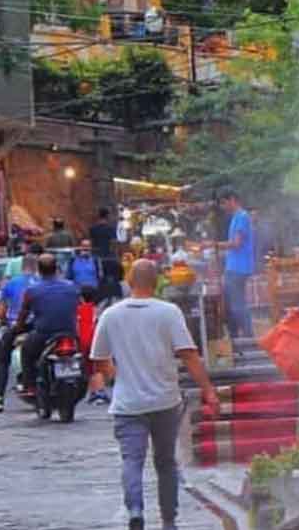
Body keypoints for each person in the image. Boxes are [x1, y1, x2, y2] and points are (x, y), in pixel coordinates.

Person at [89, 259, 220, 530]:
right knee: (165, 461)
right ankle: (169, 520)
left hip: (128, 404)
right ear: (157, 282)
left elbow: (99, 360)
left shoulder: (111, 315)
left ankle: (135, 511)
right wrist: (208, 390)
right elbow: (189, 355)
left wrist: (118, 375)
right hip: (165, 400)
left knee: (132, 460)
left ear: (129, 281)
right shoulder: (169, 312)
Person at [6, 254, 80, 412]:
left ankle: (30, 384)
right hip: (70, 332)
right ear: (57, 268)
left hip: (44, 333)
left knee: (26, 351)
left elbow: (23, 314)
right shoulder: (72, 286)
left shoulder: (33, 290)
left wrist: (18, 327)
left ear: (39, 270)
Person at [0, 254, 39, 412]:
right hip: (39, 326)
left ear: (21, 267)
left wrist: (1, 319)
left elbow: (1, 311)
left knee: (2, 360)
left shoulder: (11, 284)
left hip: (17, 327)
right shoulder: (42, 282)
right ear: (36, 267)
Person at [214, 188, 255, 341]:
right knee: (232, 303)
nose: (223, 207)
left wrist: (214, 245)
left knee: (237, 304)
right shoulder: (236, 217)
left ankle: (248, 337)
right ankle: (236, 336)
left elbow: (236, 243)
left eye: (224, 203)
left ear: (232, 199)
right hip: (234, 266)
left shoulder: (242, 217)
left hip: (239, 267)